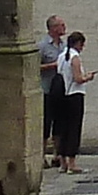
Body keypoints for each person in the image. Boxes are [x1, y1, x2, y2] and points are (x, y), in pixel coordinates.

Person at [41, 16, 87, 171]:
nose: (64, 27)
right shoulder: (45, 47)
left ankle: (59, 158)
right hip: (57, 90)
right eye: (61, 25)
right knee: (59, 125)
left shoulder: (63, 51)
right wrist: (88, 77)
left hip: (62, 92)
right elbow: (78, 78)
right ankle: (64, 160)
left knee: (61, 125)